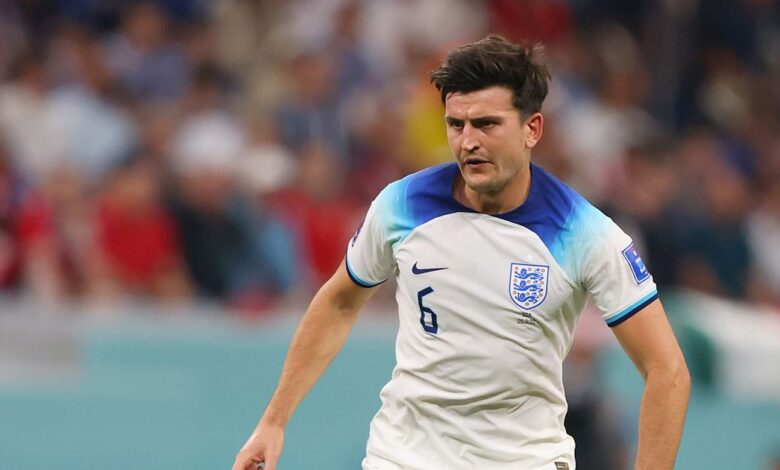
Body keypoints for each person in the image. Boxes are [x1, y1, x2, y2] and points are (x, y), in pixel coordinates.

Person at [233, 35, 690, 470]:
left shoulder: (585, 232)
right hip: (403, 456)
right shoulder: (402, 204)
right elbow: (338, 300)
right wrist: (273, 421)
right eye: (457, 124)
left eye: (487, 124)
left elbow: (667, 371)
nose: (468, 140)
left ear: (532, 129)